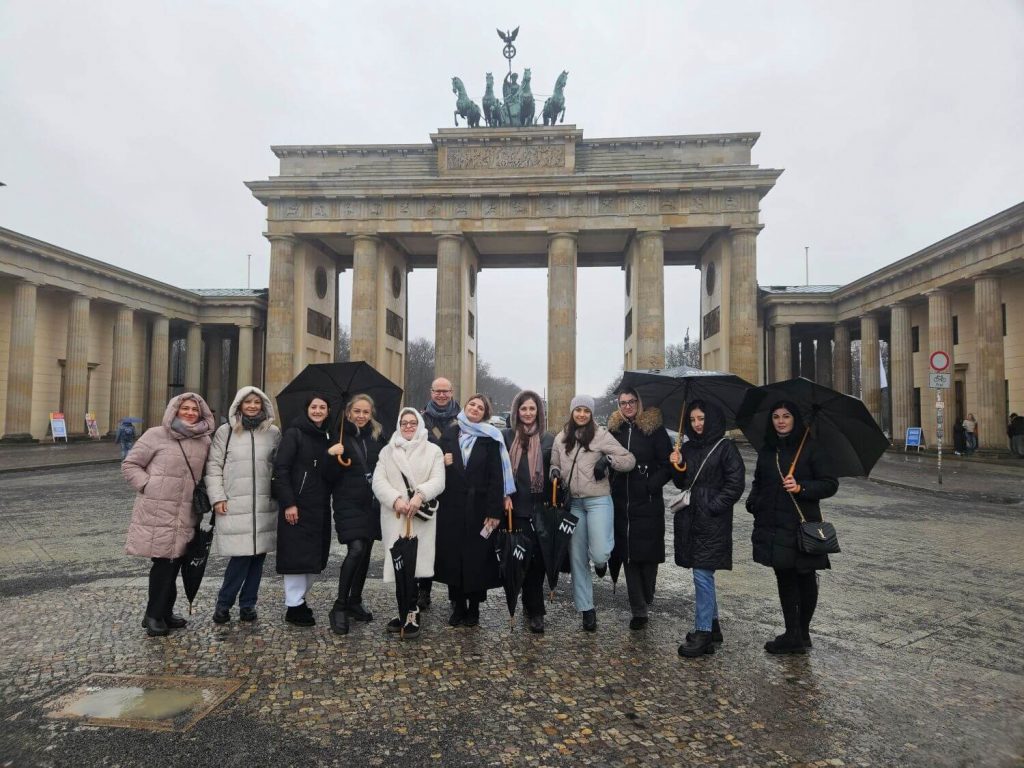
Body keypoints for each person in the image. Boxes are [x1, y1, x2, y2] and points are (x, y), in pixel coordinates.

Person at [746, 401, 838, 654]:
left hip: (801, 524)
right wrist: (753, 502)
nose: (781, 421)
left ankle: (800, 633)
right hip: (773, 523)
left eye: (786, 416)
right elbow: (759, 481)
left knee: (806, 577)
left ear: (795, 419)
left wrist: (801, 487)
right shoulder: (768, 450)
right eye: (775, 416)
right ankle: (793, 632)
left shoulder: (811, 448)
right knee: (785, 578)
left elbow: (830, 484)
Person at [123, 392, 215, 637]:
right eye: (185, 408)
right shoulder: (156, 435)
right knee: (163, 562)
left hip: (186, 510)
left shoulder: (204, 440)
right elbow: (130, 464)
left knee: (177, 562)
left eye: (195, 409)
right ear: (175, 410)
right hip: (158, 508)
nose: (190, 413)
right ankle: (152, 615)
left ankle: (164, 611)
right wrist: (148, 485)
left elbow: (208, 473)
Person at [550, 395, 636, 632]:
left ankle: (602, 562)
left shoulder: (601, 435)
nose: (581, 414)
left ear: (591, 413)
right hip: (574, 504)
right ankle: (587, 609)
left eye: (586, 410)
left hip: (598, 500)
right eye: (577, 409)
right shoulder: (561, 437)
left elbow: (629, 459)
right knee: (578, 559)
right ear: (572, 412)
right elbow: (554, 463)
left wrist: (608, 460)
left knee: (599, 553)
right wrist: (555, 473)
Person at [669, 401, 746, 657]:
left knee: (702, 574)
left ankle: (703, 633)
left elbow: (735, 484)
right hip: (690, 518)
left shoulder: (726, 447)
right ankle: (713, 627)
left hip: (712, 519)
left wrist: (713, 506)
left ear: (711, 418)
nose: (696, 424)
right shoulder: (688, 447)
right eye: (692, 420)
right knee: (701, 571)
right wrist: (677, 464)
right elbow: (682, 481)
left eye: (700, 418)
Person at [435, 393, 516, 627]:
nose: (475, 409)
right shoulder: (450, 433)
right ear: (465, 407)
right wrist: (442, 461)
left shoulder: (490, 437)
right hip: (451, 506)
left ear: (485, 414)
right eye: (472, 404)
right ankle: (458, 606)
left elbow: (496, 477)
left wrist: (494, 511)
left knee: (477, 559)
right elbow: (434, 464)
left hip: (480, 507)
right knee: (454, 557)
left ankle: (474, 608)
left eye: (480, 408)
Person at [205, 387, 281, 625]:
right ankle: (224, 604)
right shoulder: (225, 432)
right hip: (234, 503)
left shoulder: (273, 433)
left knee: (258, 557)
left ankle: (248, 604)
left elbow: (279, 467)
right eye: (247, 402)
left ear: (263, 405)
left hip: (263, 504)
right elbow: (214, 466)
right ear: (239, 405)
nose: (252, 406)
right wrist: (217, 497)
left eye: (256, 402)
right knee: (239, 558)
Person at [372, 408, 446, 639]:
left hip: (419, 515)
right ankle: (404, 610)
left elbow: (439, 480)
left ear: (420, 424)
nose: (408, 427)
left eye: (413, 423)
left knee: (414, 567)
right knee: (399, 563)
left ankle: (412, 612)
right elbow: (378, 481)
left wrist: (420, 494)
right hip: (396, 515)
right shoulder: (387, 451)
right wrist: (395, 500)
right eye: (404, 423)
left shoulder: (433, 450)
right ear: (398, 424)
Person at [607, 388, 672, 630]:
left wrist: (651, 484)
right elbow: (606, 457)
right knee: (628, 556)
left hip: (648, 500)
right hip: (622, 501)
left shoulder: (655, 430)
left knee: (648, 556)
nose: (627, 406)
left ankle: (647, 594)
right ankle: (638, 609)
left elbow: (667, 465)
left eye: (631, 401)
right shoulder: (615, 430)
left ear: (639, 403)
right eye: (623, 403)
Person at [323, 394, 385, 635]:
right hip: (347, 501)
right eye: (356, 411)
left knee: (367, 551)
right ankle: (339, 605)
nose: (361, 416)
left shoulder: (378, 436)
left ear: (371, 414)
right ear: (348, 413)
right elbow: (328, 476)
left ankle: (355, 600)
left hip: (371, 503)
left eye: (365, 412)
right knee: (356, 548)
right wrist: (331, 456)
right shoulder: (337, 436)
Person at [272, 395, 333, 627]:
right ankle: (293, 604)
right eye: (314, 406)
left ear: (328, 411)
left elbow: (326, 472)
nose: (318, 410)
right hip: (296, 505)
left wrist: (334, 456)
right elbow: (282, 469)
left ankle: (299, 600)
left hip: (318, 506)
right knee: (296, 558)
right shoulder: (294, 433)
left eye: (322, 407)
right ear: (307, 409)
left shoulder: (327, 436)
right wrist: (288, 503)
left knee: (312, 559)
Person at [501, 390, 555, 633]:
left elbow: (557, 466)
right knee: (521, 559)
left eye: (532, 409)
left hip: (540, 508)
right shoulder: (506, 436)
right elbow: (498, 469)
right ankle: (529, 604)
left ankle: (536, 611)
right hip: (515, 507)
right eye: (523, 409)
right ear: (516, 411)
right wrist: (503, 496)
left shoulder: (548, 439)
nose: (528, 413)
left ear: (539, 411)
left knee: (538, 562)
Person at [418, 377, 461, 610]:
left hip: (456, 488)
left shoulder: (463, 417)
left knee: (454, 543)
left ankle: (456, 594)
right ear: (431, 392)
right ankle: (424, 590)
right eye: (438, 391)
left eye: (446, 391)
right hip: (429, 486)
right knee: (426, 541)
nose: (442, 395)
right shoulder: (420, 419)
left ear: (452, 392)